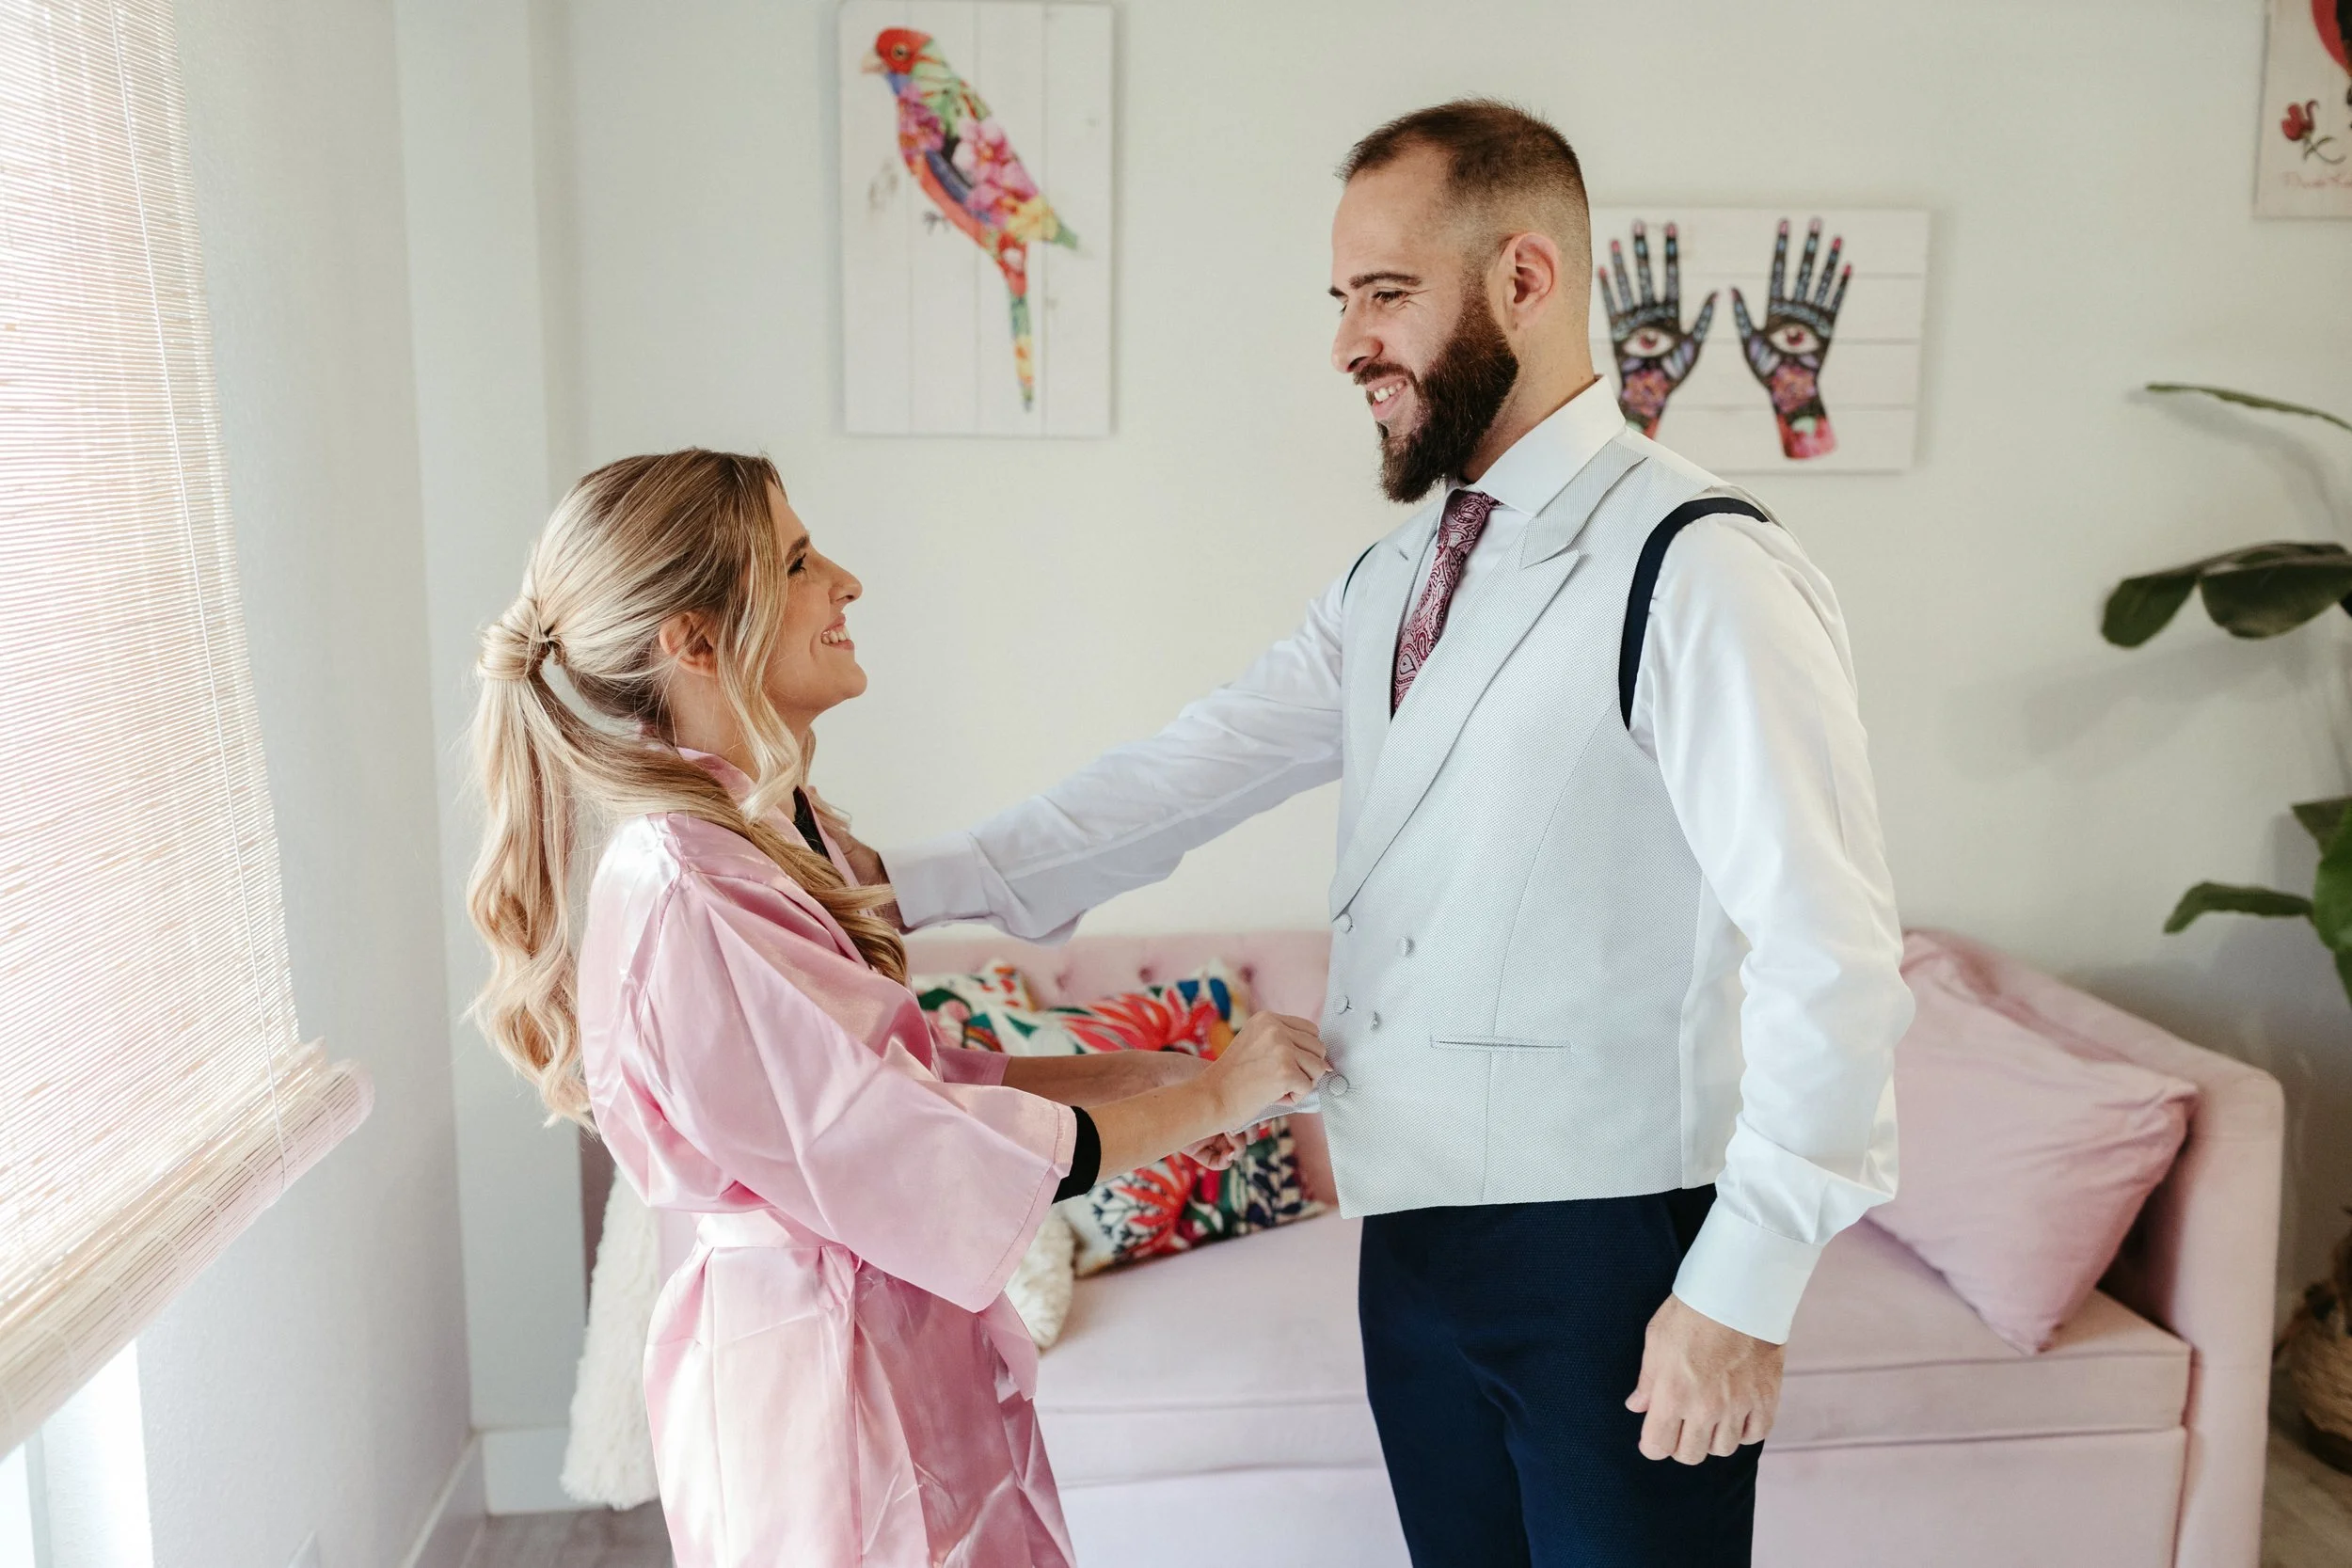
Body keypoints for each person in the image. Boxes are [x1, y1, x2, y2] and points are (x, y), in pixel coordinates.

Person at [854, 101, 1912, 1567]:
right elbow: (1192, 767)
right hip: (1409, 1234)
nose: (1349, 341)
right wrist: (887, 886)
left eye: (1386, 293)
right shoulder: (1398, 572)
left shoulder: (1701, 567)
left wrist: (1744, 1284)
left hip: (1610, 1245)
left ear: (1524, 278)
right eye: (1342, 298)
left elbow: (1830, 954)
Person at [463, 449, 1327, 1568]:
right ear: (695, 640)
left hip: (881, 1351)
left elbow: (909, 1080)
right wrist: (1213, 1098)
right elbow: (922, 1146)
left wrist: (1152, 1075)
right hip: (821, 1398)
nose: (846, 582)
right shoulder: (693, 889)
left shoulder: (761, 837)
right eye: (797, 562)